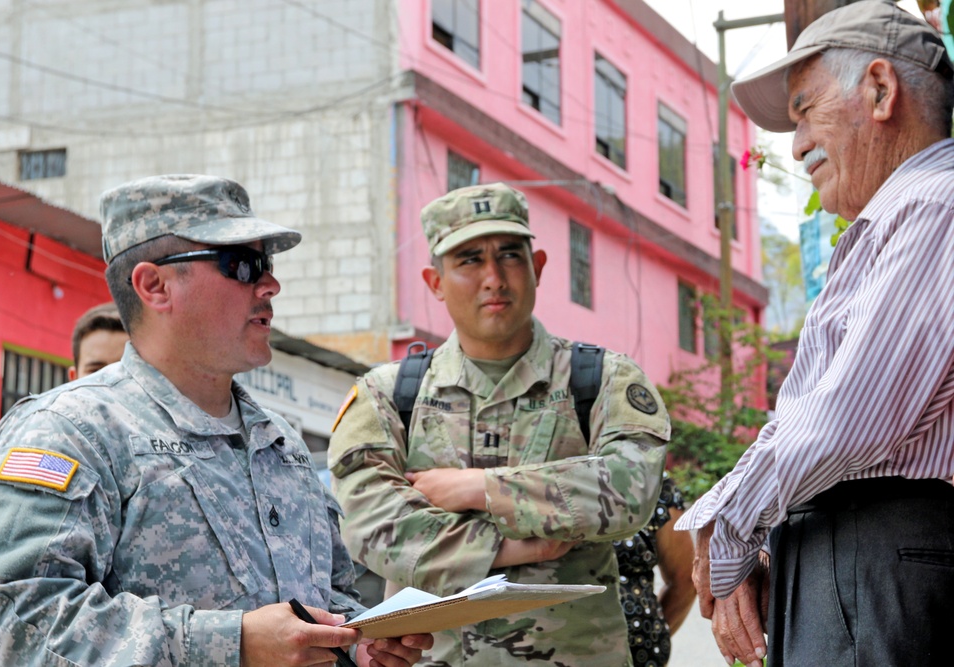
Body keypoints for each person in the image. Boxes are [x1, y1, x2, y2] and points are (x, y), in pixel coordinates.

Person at [0, 174, 432, 666]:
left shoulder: (279, 443)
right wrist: (234, 644)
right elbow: (15, 621)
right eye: (242, 265)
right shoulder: (71, 431)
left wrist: (359, 641)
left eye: (265, 263)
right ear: (154, 286)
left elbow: (324, 597)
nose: (270, 284)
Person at [675, 2, 954, 666]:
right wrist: (769, 535)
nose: (796, 145)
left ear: (881, 90)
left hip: (883, 550)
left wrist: (733, 519)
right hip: (859, 553)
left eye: (804, 112)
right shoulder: (896, 220)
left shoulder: (933, 204)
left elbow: (849, 418)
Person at [329, 182, 670, 666]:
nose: (493, 277)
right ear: (435, 282)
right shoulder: (388, 394)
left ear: (538, 267)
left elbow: (628, 491)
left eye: (510, 255)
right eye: (468, 260)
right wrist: (509, 548)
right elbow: (371, 524)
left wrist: (480, 488)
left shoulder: (601, 380)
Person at [0, 300, 130, 646]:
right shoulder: (39, 452)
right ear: (73, 376)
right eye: (96, 370)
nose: (106, 384)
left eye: (119, 371)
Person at [614, 474, 695, 667]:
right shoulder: (536, 476)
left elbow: (684, 579)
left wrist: (650, 631)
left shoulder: (648, 479)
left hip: (638, 655)